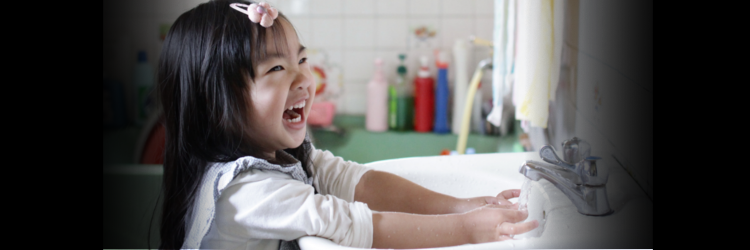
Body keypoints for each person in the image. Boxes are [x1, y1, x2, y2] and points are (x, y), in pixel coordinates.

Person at [157, 1, 538, 249]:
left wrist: (459, 207)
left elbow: (354, 181)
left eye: (302, 60)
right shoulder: (246, 193)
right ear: (218, 106)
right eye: (276, 67)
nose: (303, 78)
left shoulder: (284, 155)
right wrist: (472, 229)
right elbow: (353, 224)